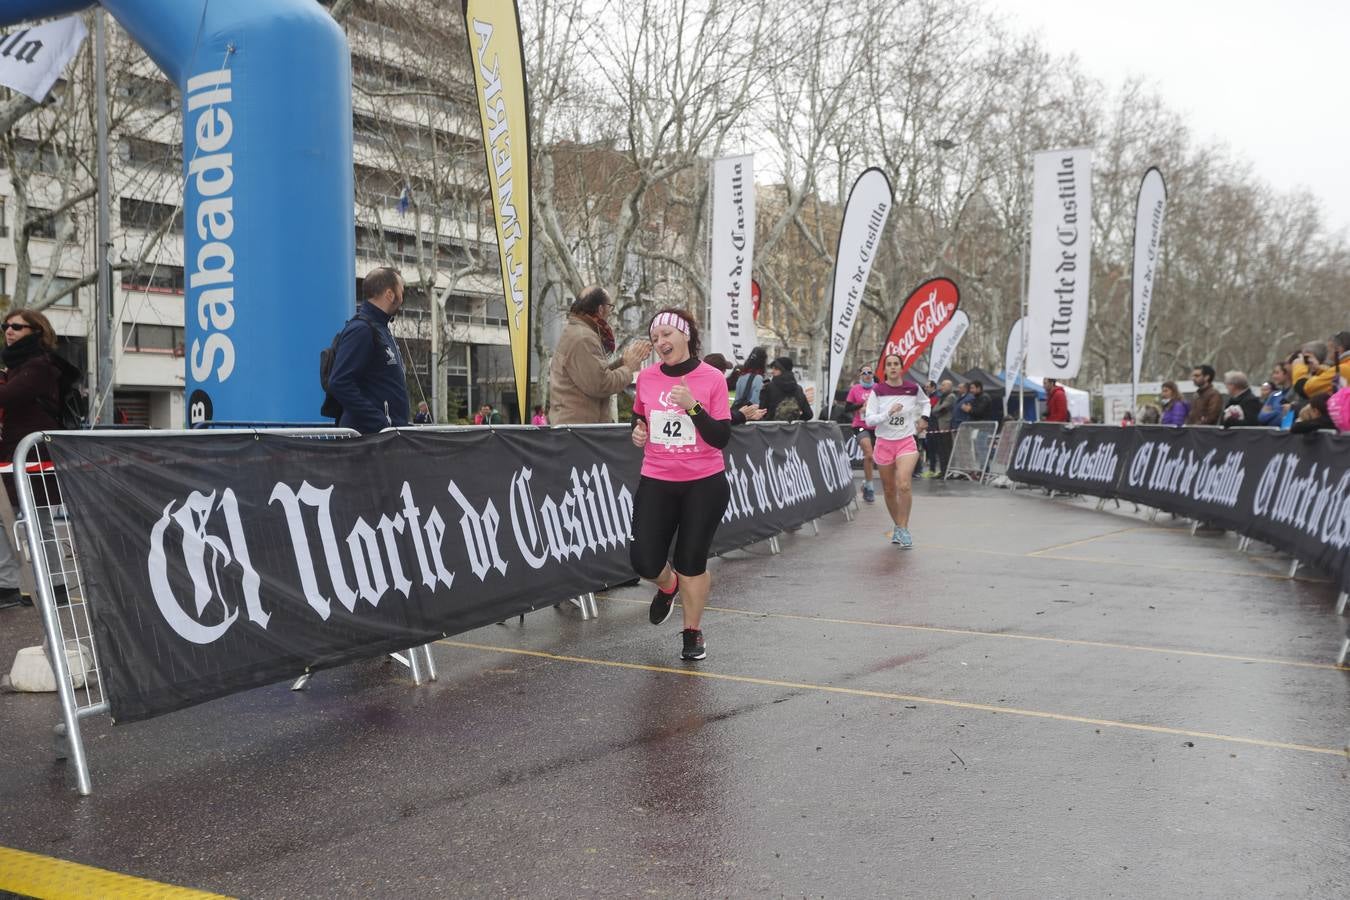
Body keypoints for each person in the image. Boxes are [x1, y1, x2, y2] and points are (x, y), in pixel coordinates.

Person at [630, 309, 733, 661]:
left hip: (704, 482)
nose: (660, 342)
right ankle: (667, 586)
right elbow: (640, 415)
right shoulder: (646, 379)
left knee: (691, 561)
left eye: (666, 334)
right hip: (657, 478)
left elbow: (721, 437)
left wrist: (693, 407)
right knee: (644, 560)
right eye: (655, 337)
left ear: (686, 335)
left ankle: (692, 631)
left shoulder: (713, 378)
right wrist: (638, 431)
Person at [0, 309, 76, 609]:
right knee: (3, 520)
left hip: (35, 457)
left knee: (40, 522)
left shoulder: (42, 366)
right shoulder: (16, 366)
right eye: (6, 325)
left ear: (36, 330)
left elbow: (8, 397)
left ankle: (55, 586)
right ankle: (6, 586)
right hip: (11, 456)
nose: (9, 330)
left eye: (17, 326)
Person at [548, 285, 651, 425]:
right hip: (578, 432)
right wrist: (628, 368)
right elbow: (601, 385)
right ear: (601, 309)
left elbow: (595, 374)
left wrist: (623, 362)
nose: (610, 312)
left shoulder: (579, 331)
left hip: (576, 428)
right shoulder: (583, 337)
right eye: (610, 307)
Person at [327, 266, 410, 434]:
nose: (403, 297)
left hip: (383, 438)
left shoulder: (380, 329)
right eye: (401, 291)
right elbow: (339, 382)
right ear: (389, 294)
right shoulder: (362, 329)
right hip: (369, 441)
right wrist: (380, 422)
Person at [863, 354, 930, 548]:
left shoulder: (912, 388)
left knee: (904, 484)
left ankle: (904, 528)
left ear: (901, 368)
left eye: (896, 364)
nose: (892, 368)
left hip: (906, 441)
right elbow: (869, 420)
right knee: (889, 489)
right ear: (884, 370)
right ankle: (897, 526)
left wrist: (925, 418)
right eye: (889, 365)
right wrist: (888, 413)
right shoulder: (878, 390)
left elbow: (926, 402)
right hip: (884, 443)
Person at [843, 364, 879, 501]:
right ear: (860, 375)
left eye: (870, 372)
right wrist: (861, 407)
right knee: (868, 454)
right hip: (860, 426)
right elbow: (847, 408)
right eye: (864, 372)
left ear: (873, 374)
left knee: (878, 458)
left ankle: (865, 484)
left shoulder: (878, 388)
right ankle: (870, 487)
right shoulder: (855, 389)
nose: (867, 375)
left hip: (876, 427)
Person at [1291, 331, 1350, 400]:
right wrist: (1319, 369)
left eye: (1330, 351)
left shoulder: (1342, 369)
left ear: (1339, 349)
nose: (1329, 356)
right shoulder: (1345, 367)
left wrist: (1299, 366)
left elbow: (1306, 389)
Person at [758, 356, 811, 421]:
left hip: (771, 429)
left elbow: (761, 413)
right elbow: (808, 414)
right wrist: (793, 420)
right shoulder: (798, 389)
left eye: (776, 369)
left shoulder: (768, 388)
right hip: (793, 430)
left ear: (782, 370)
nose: (772, 371)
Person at [925, 379, 957, 478]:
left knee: (946, 450)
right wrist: (938, 411)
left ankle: (947, 471)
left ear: (949, 386)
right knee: (941, 451)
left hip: (946, 426)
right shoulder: (942, 397)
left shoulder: (951, 396)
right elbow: (934, 409)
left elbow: (942, 408)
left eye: (943, 385)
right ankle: (943, 471)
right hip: (939, 427)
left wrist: (938, 411)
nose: (941, 387)